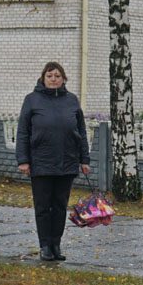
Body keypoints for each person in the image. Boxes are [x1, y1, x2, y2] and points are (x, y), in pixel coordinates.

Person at [16, 62, 91, 262]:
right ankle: (45, 246)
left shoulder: (72, 100)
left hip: (67, 162)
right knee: (43, 206)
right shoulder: (32, 100)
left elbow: (81, 132)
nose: (53, 79)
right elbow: (23, 131)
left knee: (59, 206)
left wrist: (85, 159)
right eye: (49, 76)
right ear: (43, 78)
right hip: (40, 162)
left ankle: (56, 244)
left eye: (57, 76)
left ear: (63, 79)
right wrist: (23, 160)